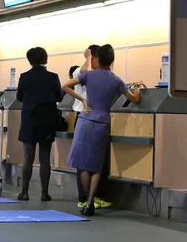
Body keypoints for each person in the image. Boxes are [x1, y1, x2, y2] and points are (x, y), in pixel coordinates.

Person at [62, 44, 143, 216]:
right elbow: (134, 99)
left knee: (83, 165)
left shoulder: (89, 76)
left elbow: (65, 86)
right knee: (97, 166)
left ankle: (84, 201)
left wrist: (82, 100)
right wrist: (136, 86)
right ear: (112, 61)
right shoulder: (116, 80)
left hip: (84, 121)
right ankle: (91, 201)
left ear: (97, 59)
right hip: (102, 123)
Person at [17, 47, 65, 202]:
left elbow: (19, 97)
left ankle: (24, 192)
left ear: (29, 60)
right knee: (44, 158)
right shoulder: (53, 77)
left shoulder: (24, 77)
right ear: (46, 59)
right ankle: (44, 193)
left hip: (29, 120)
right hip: (47, 121)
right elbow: (59, 96)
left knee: (27, 157)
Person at [72, 45, 112, 209]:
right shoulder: (81, 72)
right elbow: (84, 71)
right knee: (83, 161)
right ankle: (83, 197)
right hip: (82, 116)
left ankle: (94, 197)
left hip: (96, 118)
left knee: (98, 161)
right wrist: (88, 57)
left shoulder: (101, 75)